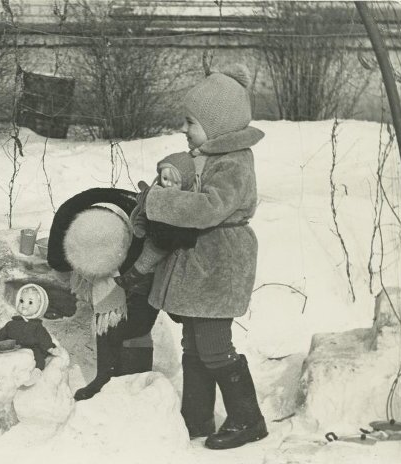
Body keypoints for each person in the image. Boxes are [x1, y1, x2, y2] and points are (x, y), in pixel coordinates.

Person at [142, 64, 267, 449]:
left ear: (218, 125)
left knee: (214, 345)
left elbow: (210, 208)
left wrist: (159, 201)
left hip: (220, 267)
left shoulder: (234, 162)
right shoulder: (209, 157)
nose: (184, 128)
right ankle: (196, 417)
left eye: (190, 122)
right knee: (193, 345)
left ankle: (248, 420)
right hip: (203, 265)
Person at [47, 188, 160, 401]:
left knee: (138, 322)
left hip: (142, 260)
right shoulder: (66, 220)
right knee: (106, 307)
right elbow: (58, 264)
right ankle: (105, 376)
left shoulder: (148, 227)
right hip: (105, 245)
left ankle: (137, 378)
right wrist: (90, 275)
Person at [114, 151, 202, 292]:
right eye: (165, 178)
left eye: (176, 182)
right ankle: (141, 281)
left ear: (185, 184)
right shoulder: (157, 192)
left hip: (167, 239)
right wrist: (140, 224)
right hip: (153, 233)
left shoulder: (186, 199)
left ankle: (132, 277)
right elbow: (143, 211)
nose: (168, 185)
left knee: (149, 255)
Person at [0, 283, 57, 371]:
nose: (24, 305)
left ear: (40, 307)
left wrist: (50, 348)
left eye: (30, 302)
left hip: (31, 349)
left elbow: (44, 339)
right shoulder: (11, 324)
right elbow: (3, 333)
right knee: (3, 358)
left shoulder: (37, 326)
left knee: (37, 356)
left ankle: (36, 372)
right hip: (13, 350)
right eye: (21, 301)